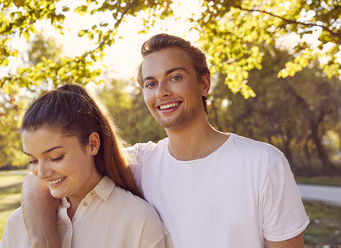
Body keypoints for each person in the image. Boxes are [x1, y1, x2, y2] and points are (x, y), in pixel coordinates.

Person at [21, 34, 310, 248]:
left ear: (204, 84)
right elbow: (45, 173)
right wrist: (42, 240)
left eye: (175, 77)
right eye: (151, 83)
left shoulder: (262, 163)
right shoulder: (140, 163)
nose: (161, 92)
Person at [0, 84, 171, 248]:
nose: (42, 173)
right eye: (33, 160)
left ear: (93, 144)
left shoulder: (138, 220)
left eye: (56, 157)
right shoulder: (18, 222)